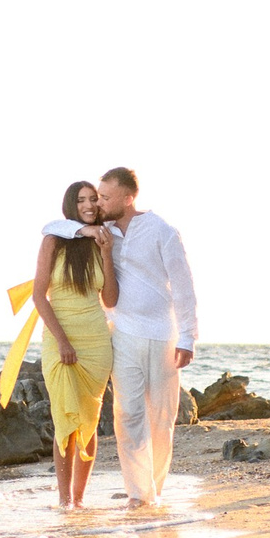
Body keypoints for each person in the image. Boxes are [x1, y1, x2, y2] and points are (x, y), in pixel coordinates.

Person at [95, 165, 197, 508]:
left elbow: (182, 285)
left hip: (164, 335)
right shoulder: (101, 232)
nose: (99, 202)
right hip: (123, 334)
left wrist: (188, 336)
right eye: (98, 196)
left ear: (128, 198)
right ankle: (138, 494)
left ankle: (154, 490)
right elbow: (55, 228)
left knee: (162, 418)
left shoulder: (161, 230)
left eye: (106, 197)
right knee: (128, 415)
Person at [30, 181, 118, 509]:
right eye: (81, 200)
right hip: (59, 338)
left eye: (94, 199)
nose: (89, 205)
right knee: (65, 421)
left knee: (89, 420)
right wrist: (63, 341)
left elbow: (110, 299)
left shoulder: (102, 240)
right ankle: (63, 499)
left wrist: (106, 253)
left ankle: (79, 500)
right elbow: (39, 296)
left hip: (96, 341)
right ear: (71, 204)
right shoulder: (54, 240)